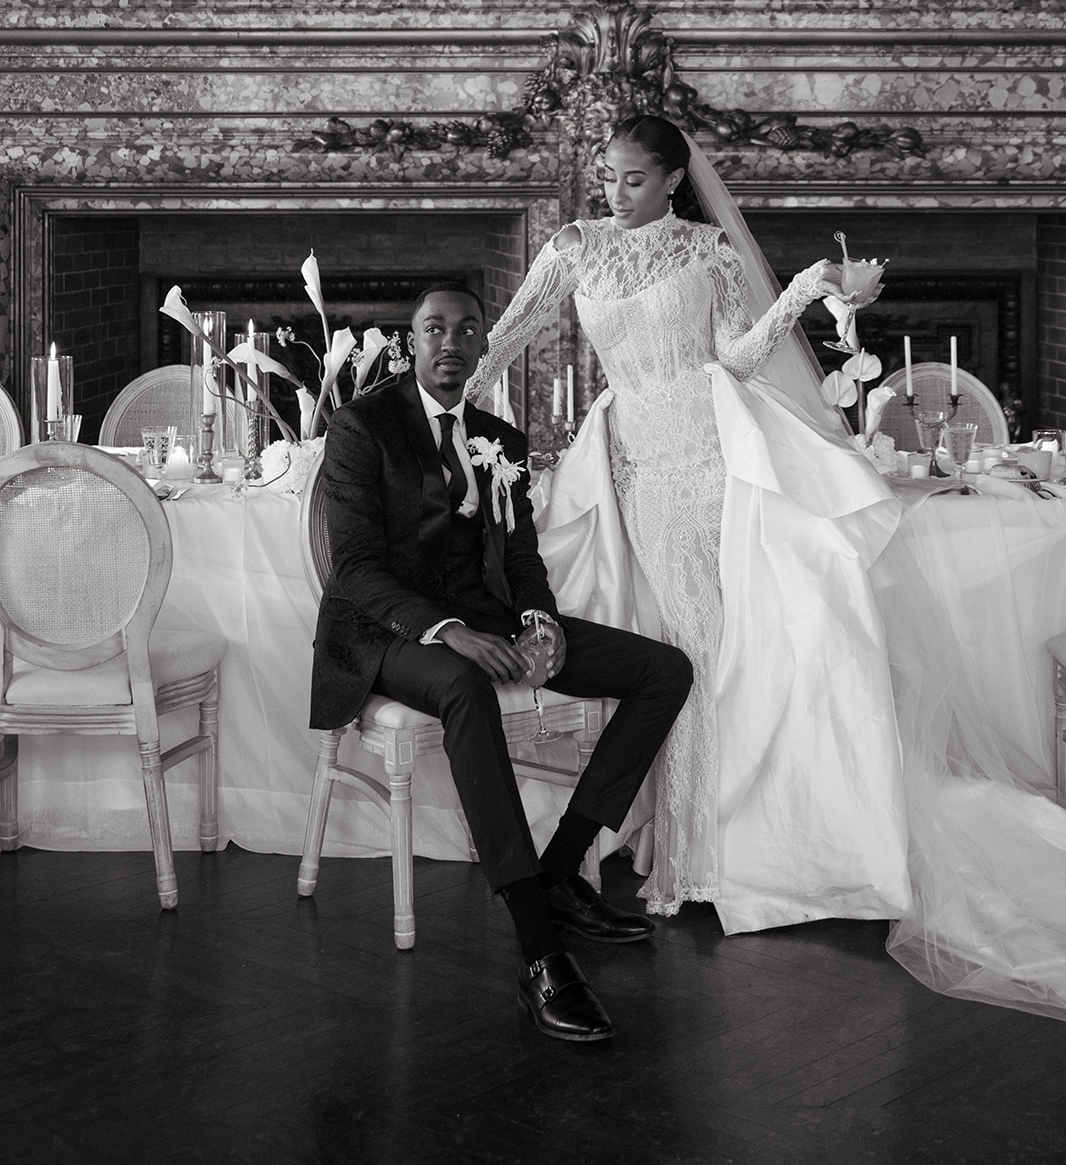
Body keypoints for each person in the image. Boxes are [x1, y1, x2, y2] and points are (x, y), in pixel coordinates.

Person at [466, 114, 911, 929]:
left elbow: (736, 358)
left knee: (711, 647)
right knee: (680, 646)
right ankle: (686, 847)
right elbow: (502, 338)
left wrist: (805, 290)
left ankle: (707, 855)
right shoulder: (573, 245)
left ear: (674, 178)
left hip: (711, 462)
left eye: (633, 178)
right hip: (637, 469)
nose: (615, 192)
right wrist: (433, 401)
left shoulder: (705, 252)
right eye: (607, 176)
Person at [310, 281, 693, 1043]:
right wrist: (446, 629)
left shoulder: (500, 441)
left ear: (483, 344)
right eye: (432, 330)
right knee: (463, 686)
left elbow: (520, 555)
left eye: (465, 331)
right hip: (383, 635)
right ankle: (539, 952)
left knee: (663, 671)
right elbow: (352, 568)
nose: (449, 344)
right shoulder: (363, 427)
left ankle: (558, 872)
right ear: (408, 342)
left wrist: (539, 621)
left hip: (485, 621)